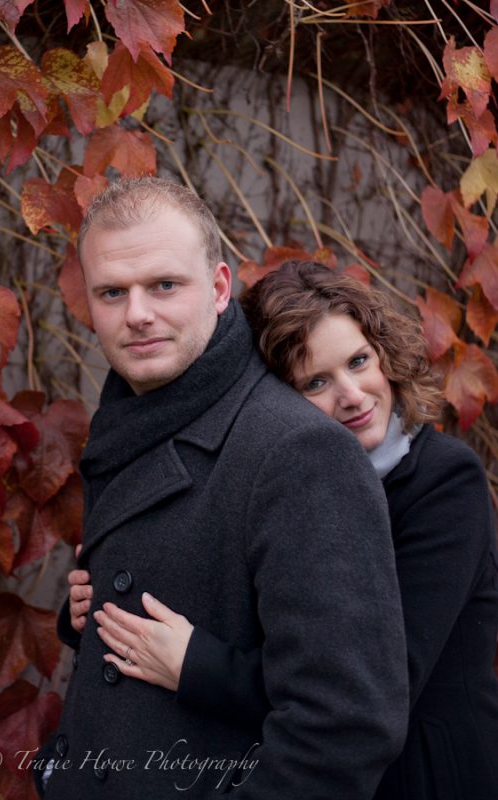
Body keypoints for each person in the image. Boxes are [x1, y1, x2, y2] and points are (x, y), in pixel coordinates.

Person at [71, 260, 498, 800]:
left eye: (358, 361)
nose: (352, 394)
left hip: (424, 777)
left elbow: (378, 685)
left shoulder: (445, 484)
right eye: (315, 381)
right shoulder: (280, 480)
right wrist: (95, 597)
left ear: (385, 355)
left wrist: (197, 666)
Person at [40, 183, 408, 800]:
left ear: (216, 287)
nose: (137, 314)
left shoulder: (297, 451)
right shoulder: (128, 422)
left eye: (164, 285)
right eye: (112, 292)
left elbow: (345, 725)